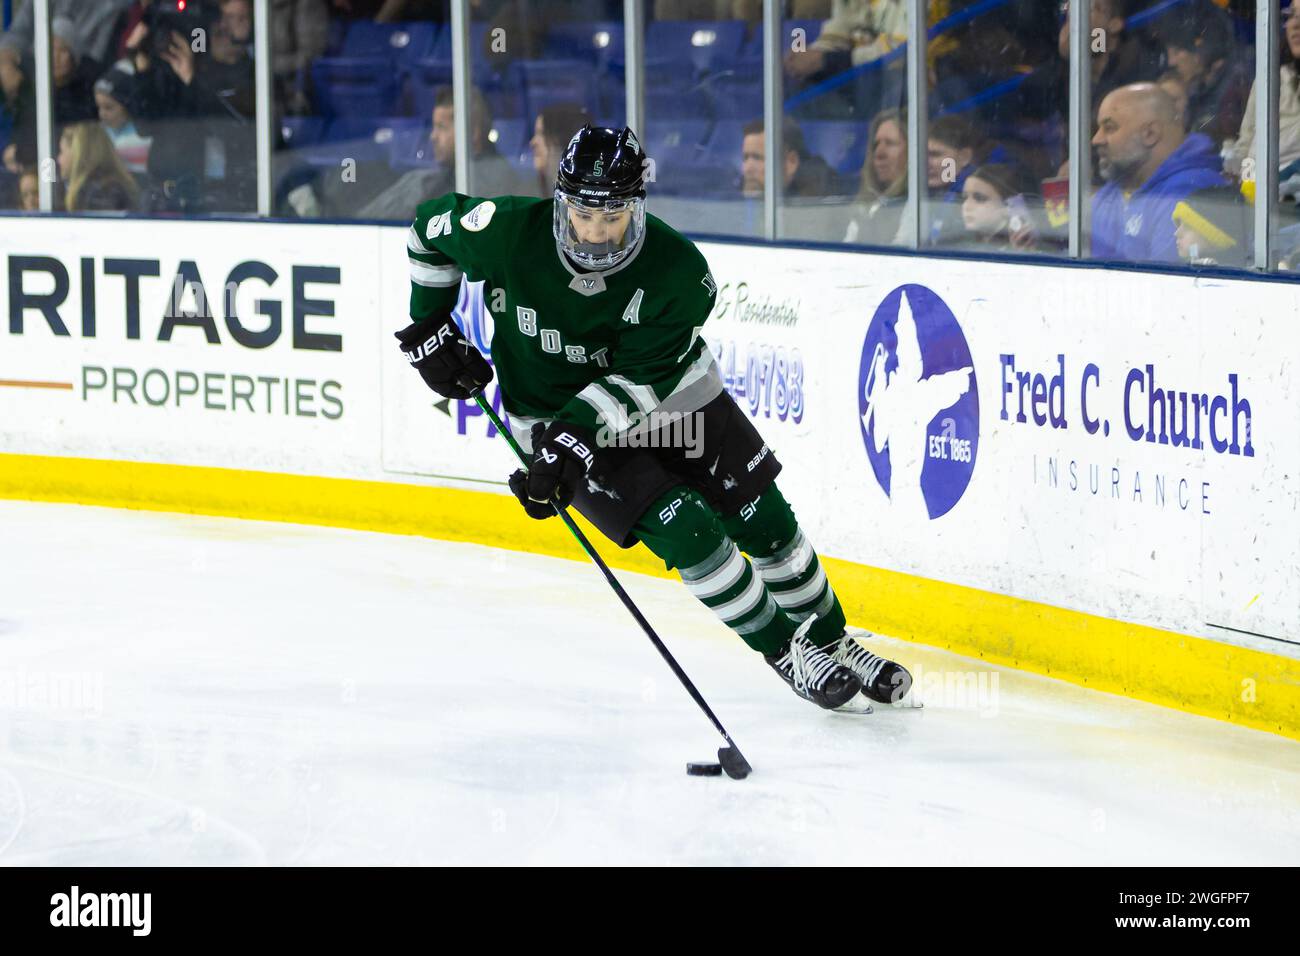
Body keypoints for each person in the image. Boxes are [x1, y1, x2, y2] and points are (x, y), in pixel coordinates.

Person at [397, 125, 913, 711]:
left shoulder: (678, 273)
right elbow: (427, 232)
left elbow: (641, 382)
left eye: (611, 216)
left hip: (671, 400)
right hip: (548, 415)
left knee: (767, 522)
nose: (593, 233)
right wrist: (428, 325)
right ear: (562, 199)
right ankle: (786, 650)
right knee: (690, 532)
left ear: (637, 206)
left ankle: (832, 641)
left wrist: (574, 441)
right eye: (582, 214)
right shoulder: (509, 230)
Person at [1091, 83, 1226, 263]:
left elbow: (1161, 287)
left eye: (1109, 127)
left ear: (1150, 133)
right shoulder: (1109, 193)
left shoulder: (1191, 192)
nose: (1096, 139)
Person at [356, 86, 521, 220]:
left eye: (441, 127)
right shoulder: (433, 180)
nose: (433, 136)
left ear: (472, 133)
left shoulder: (492, 180)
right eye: (434, 127)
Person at [1157, 8, 1251, 150]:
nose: (1171, 62)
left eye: (1177, 52)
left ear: (1202, 51)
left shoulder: (1238, 85)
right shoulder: (1197, 88)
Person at [1227, 3, 1300, 178]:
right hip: (1254, 195)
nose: (1295, 24)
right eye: (1292, 15)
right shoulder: (1270, 80)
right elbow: (1244, 147)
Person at [842, 107, 908, 245]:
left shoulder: (915, 206)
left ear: (912, 150)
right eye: (875, 144)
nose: (879, 153)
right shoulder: (864, 204)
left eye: (890, 143)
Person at [739, 117, 843, 200]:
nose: (747, 169)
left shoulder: (821, 196)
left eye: (757, 158)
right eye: (745, 158)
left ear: (791, 162)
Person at [955, 162, 1040, 253]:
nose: (966, 206)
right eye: (964, 198)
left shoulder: (1024, 248)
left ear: (1008, 206)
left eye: (979, 198)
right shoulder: (956, 243)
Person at [57, 121, 140, 212]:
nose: (58, 159)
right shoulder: (103, 188)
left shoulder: (101, 194)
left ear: (78, 155)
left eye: (62, 152)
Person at [1171, 182, 1251, 267]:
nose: (1176, 233)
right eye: (1179, 224)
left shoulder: (1222, 276)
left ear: (1214, 238)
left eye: (1189, 227)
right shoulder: (1185, 268)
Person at [93, 66, 152, 177]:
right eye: (98, 107)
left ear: (128, 106)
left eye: (108, 107)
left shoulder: (142, 138)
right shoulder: (98, 134)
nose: (101, 114)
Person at [529, 103, 593, 198]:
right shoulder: (529, 191)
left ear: (562, 139)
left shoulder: (586, 205)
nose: (533, 142)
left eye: (541, 133)